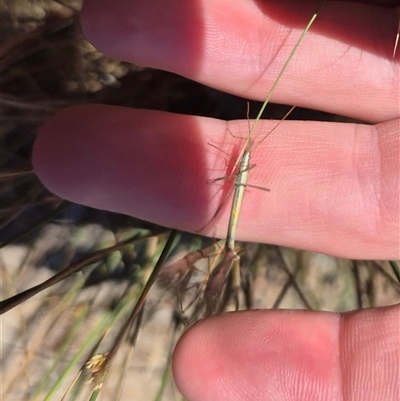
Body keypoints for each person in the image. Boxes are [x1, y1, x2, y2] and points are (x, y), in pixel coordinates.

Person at [33, 1, 399, 400]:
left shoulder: (239, 171)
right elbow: (236, 176)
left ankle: (204, 283)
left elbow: (240, 179)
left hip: (230, 220)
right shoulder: (237, 168)